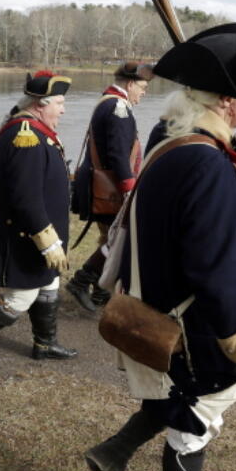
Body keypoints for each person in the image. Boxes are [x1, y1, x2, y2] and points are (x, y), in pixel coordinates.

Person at [83, 23, 236, 471]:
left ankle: (113, 452)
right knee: (205, 405)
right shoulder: (209, 165)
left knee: (183, 397)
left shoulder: (172, 143)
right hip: (192, 321)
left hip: (160, 301)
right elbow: (216, 267)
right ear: (229, 102)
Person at [0, 71, 78, 369]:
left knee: (49, 285)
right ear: (39, 104)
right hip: (26, 235)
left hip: (41, 231)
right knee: (22, 296)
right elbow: (26, 197)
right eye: (59, 102)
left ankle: (44, 343)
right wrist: (46, 241)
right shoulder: (26, 136)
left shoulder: (36, 129)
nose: (63, 109)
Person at [66, 61, 155, 312]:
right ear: (130, 84)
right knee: (120, 240)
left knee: (111, 237)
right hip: (110, 188)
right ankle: (83, 282)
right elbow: (117, 154)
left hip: (101, 184)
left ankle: (101, 292)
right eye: (143, 87)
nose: (144, 92)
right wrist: (129, 188)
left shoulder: (109, 102)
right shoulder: (118, 107)